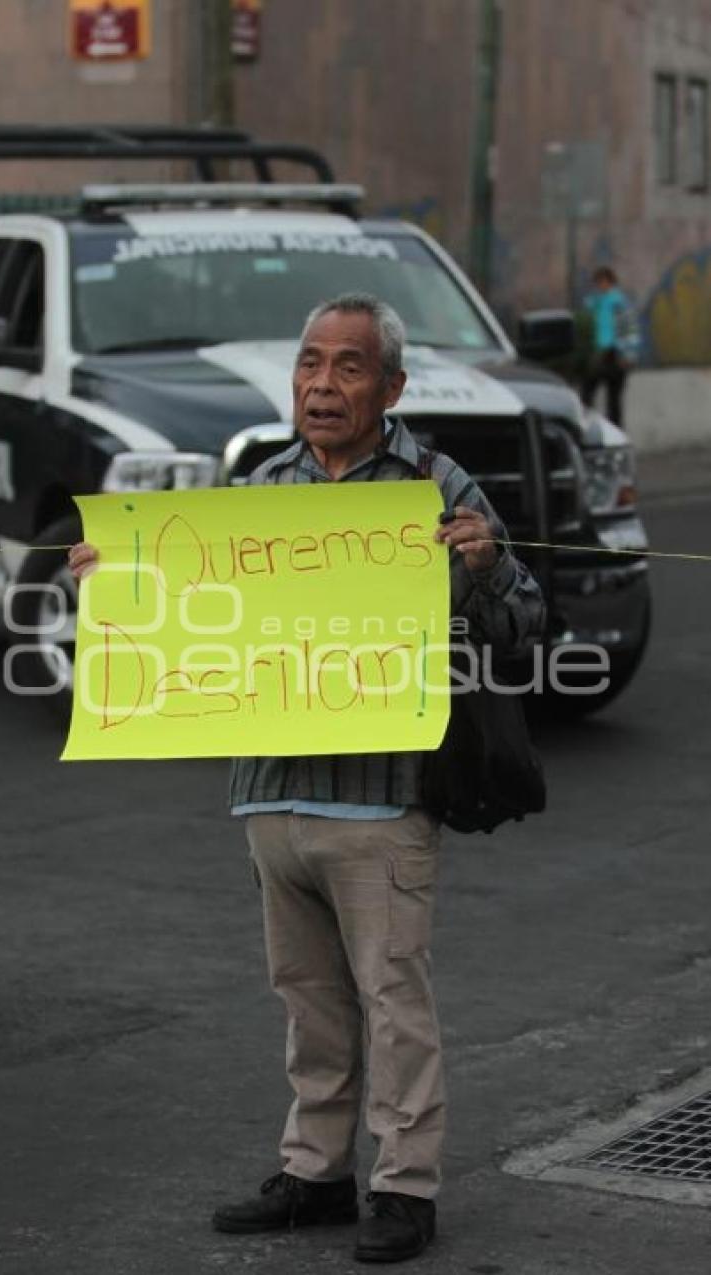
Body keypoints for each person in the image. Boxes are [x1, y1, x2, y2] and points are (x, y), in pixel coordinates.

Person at [68, 293, 544, 1265]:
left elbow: (526, 621)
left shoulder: (435, 485)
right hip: (272, 793)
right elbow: (191, 622)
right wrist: (110, 586)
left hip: (382, 799)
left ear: (391, 387)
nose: (322, 385)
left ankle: (404, 1189)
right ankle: (317, 1173)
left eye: (348, 367)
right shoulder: (258, 491)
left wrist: (489, 566)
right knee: (307, 1001)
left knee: (392, 997)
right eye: (309, 365)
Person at [580, 265, 640, 429]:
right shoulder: (594, 303)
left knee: (614, 399)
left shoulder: (619, 303)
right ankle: (586, 426)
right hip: (598, 352)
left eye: (604, 281)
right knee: (587, 391)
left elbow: (630, 329)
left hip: (615, 353)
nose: (601, 285)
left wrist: (628, 355)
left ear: (611, 282)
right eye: (598, 282)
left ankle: (616, 431)